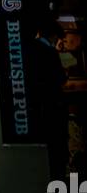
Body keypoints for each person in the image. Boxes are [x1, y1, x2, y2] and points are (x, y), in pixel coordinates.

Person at [30, 17, 70, 181]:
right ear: (53, 36)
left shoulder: (33, 49)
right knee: (57, 145)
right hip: (53, 106)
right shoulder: (49, 52)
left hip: (41, 107)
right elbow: (60, 78)